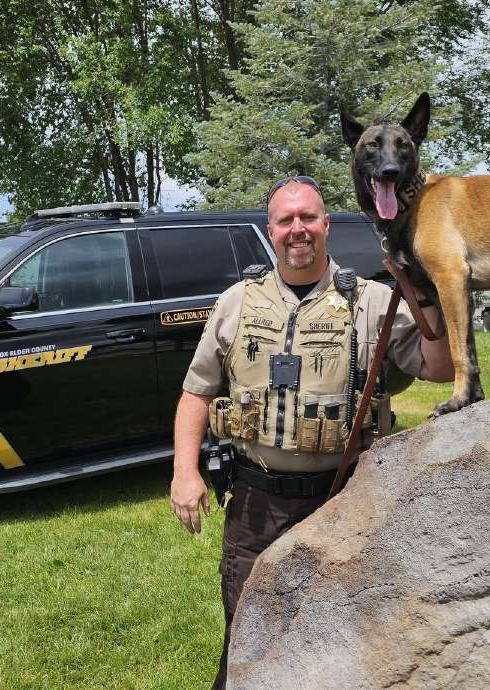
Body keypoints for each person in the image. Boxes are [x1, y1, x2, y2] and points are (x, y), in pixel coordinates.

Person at [169, 176, 454, 689]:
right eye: (285, 220)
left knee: (342, 628)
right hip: (257, 504)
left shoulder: (370, 302)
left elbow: (440, 367)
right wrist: (184, 473)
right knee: (248, 628)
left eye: (307, 218)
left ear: (325, 225)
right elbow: (196, 392)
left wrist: (428, 292)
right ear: (271, 230)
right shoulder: (237, 302)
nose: (297, 229)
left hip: (342, 499)